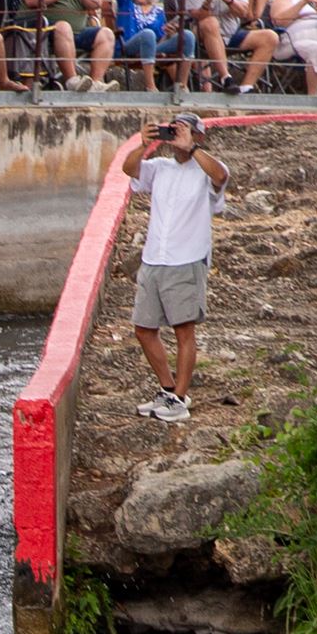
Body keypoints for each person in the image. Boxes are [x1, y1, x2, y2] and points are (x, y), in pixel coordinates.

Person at [122, 114, 227, 424]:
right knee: (143, 329)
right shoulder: (161, 168)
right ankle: (168, 389)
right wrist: (143, 144)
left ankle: (180, 399)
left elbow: (220, 177)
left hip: (187, 259)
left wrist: (191, 148)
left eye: (185, 130)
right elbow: (129, 170)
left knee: (184, 330)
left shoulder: (205, 168)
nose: (177, 135)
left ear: (199, 136)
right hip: (154, 258)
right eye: (174, 129)